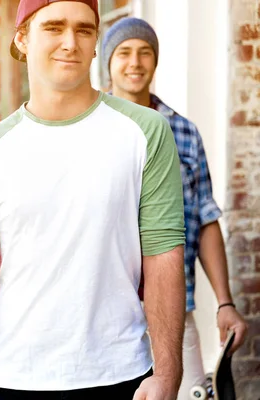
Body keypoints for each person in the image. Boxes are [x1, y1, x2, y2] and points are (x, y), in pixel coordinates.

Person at [0, 1, 188, 399]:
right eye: (54, 28)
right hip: (14, 378)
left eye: (84, 30)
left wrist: (167, 375)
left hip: (120, 373)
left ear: (95, 44)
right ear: (22, 38)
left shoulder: (145, 132)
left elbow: (163, 256)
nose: (70, 43)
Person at [102, 17, 249, 400]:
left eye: (144, 52)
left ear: (155, 61)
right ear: (108, 63)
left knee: (193, 393)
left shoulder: (183, 131)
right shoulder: (90, 127)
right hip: (101, 310)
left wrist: (225, 302)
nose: (135, 62)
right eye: (124, 53)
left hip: (171, 310)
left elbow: (205, 218)